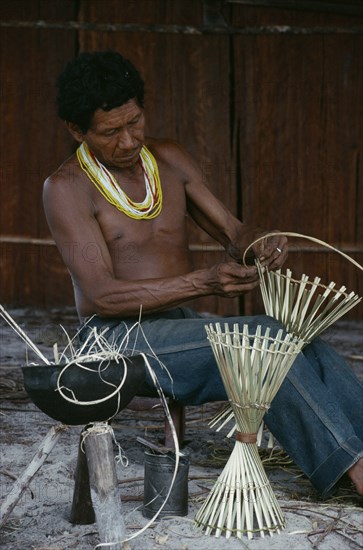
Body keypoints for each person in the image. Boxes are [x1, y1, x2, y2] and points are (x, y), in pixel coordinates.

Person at [43, 50, 363, 498]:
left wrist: (260, 244)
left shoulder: (168, 159)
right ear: (77, 130)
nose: (130, 140)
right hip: (114, 338)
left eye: (135, 121)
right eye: (111, 132)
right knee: (263, 339)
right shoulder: (67, 188)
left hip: (180, 327)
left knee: (301, 337)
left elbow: (234, 232)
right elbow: (101, 297)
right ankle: (353, 472)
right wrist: (204, 282)